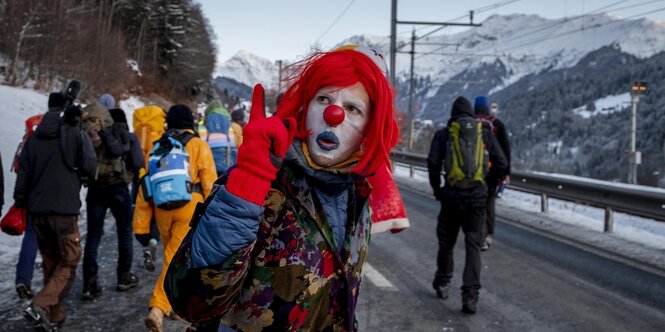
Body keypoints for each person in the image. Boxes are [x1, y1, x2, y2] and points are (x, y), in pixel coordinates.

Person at [164, 45, 400, 331]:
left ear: (369, 126)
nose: (334, 114)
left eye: (352, 108)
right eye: (323, 99)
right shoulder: (260, 182)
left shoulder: (358, 194)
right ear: (304, 107)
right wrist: (247, 184)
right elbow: (192, 302)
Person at [14, 92, 96, 329]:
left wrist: (21, 203)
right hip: (64, 209)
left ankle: (55, 315)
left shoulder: (34, 137)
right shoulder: (75, 134)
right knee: (69, 259)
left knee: (51, 261)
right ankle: (41, 304)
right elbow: (90, 166)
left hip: (37, 210)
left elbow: (23, 175)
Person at [134, 104, 217, 332]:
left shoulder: (158, 146)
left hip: (162, 208)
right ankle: (158, 307)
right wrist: (213, 214)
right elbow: (210, 181)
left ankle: (176, 306)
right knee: (176, 258)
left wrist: (141, 225)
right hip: (189, 206)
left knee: (172, 255)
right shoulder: (198, 145)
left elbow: (146, 186)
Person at [427, 96, 507, 314]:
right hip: (477, 201)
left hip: (451, 197)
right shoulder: (484, 133)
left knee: (446, 243)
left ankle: (443, 282)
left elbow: (433, 163)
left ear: (452, 114)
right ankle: (470, 296)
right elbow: (501, 163)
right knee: (473, 247)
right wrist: (487, 186)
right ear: (472, 114)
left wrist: (438, 190)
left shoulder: (444, 134)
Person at [80, 103, 139, 301]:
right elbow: (135, 161)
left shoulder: (87, 130)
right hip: (117, 187)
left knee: (94, 236)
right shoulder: (117, 131)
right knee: (124, 232)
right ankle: (124, 276)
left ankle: (89, 283)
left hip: (96, 189)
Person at [474, 96, 511, 251]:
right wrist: (506, 173)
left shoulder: (470, 123)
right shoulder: (496, 124)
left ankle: (477, 235)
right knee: (489, 203)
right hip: (493, 171)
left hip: (475, 171)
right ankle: (488, 235)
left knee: (477, 205)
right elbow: (505, 150)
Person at [204, 100, 234, 175]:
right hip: (225, 153)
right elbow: (232, 142)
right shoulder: (228, 119)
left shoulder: (206, 119)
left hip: (209, 153)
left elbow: (203, 139)